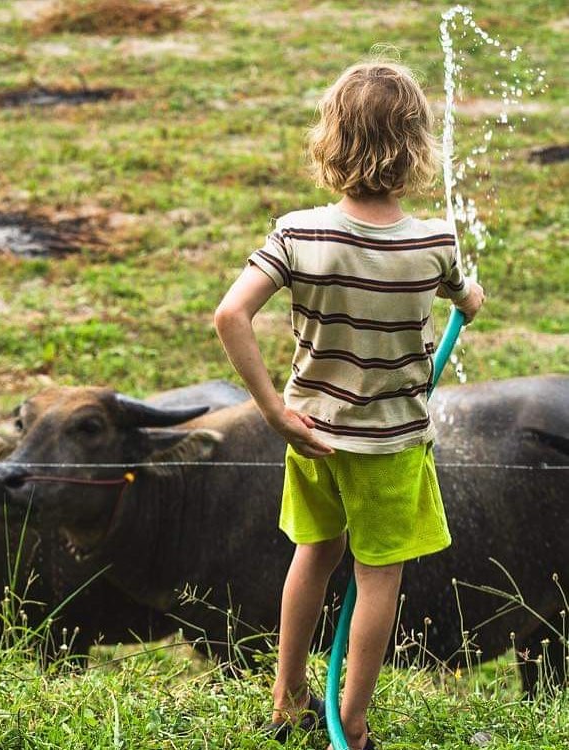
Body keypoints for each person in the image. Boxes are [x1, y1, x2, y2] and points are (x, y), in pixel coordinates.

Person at [213, 60, 485, 750]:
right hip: (390, 449)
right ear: (417, 145)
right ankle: (353, 725)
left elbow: (230, 316)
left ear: (330, 140)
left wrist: (276, 411)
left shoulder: (298, 233)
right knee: (378, 578)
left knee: (313, 555)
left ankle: (287, 697)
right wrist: (470, 298)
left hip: (311, 435)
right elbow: (468, 299)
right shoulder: (434, 242)